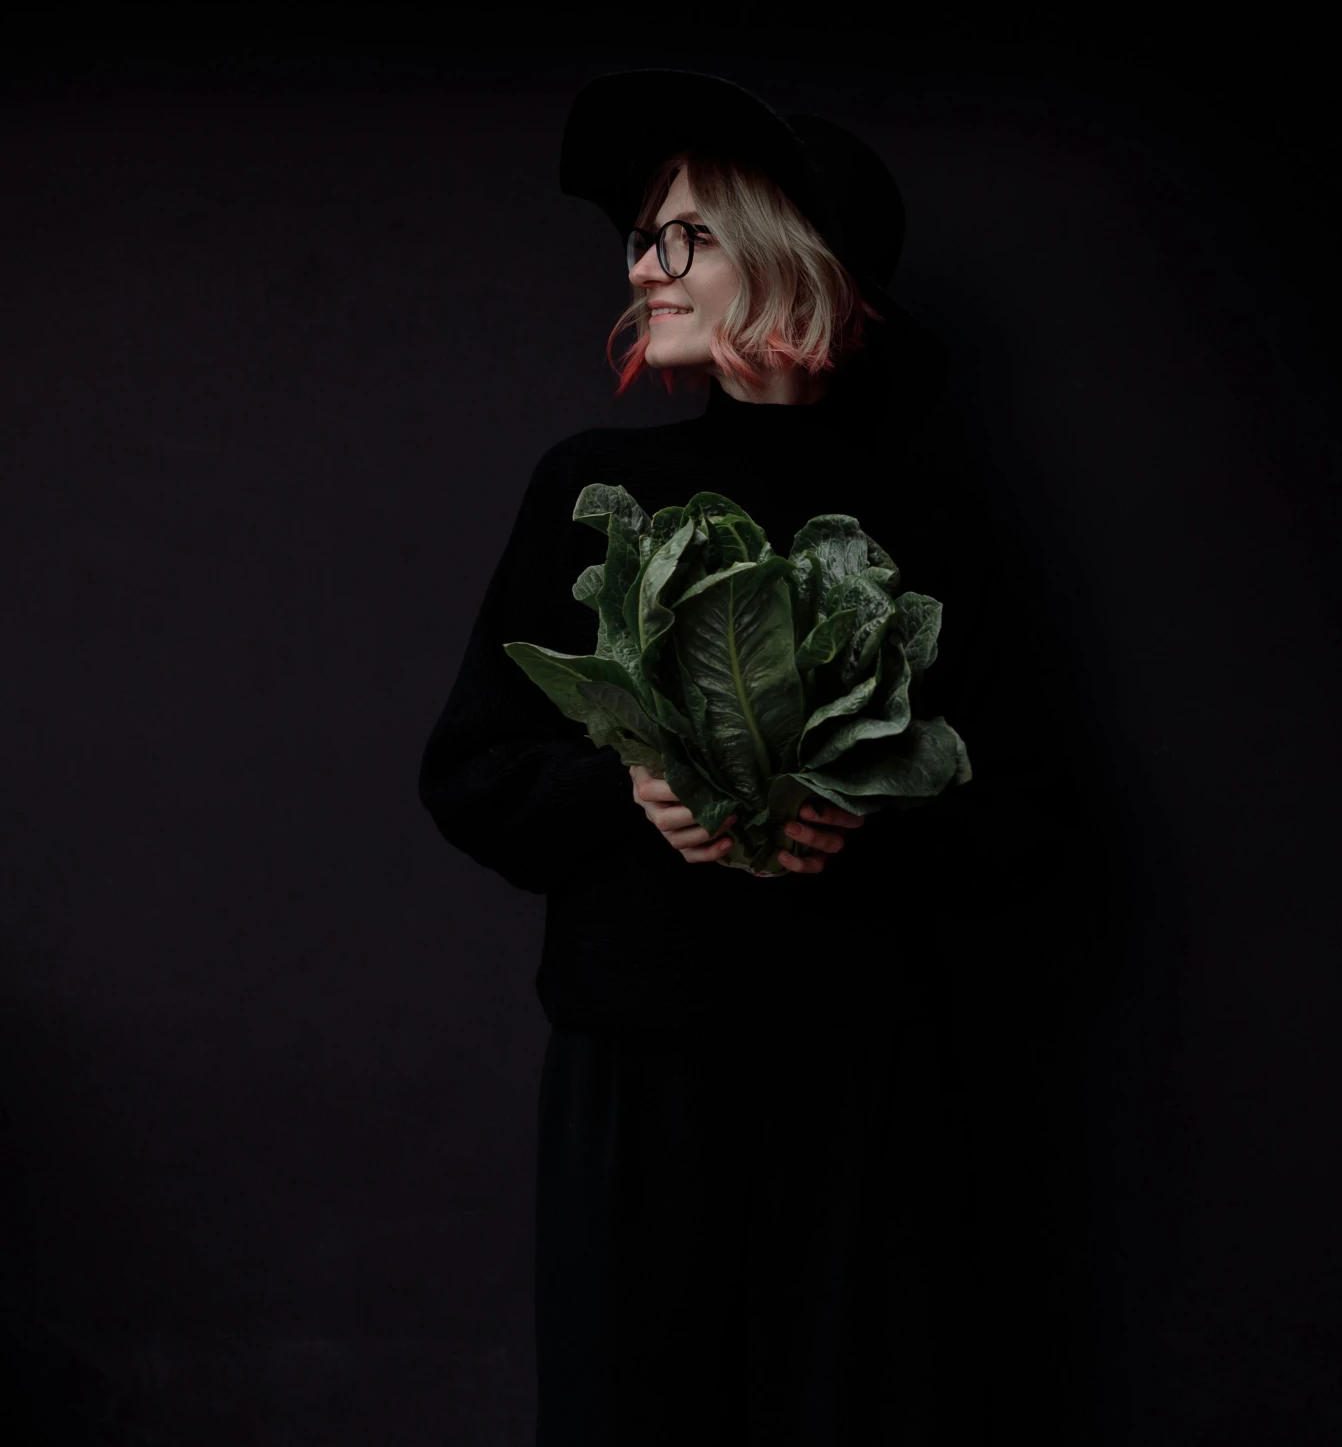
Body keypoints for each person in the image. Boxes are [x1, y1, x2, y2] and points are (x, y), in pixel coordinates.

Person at [418, 70, 1041, 1443]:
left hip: (861, 1092)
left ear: (784, 254)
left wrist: (863, 814)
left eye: (681, 231)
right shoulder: (596, 491)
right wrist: (630, 793)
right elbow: (467, 771)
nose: (643, 261)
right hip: (637, 1080)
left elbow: (1029, 818)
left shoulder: (934, 519)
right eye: (642, 233)